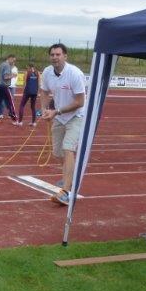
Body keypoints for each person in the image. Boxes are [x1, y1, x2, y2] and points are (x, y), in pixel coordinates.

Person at [40, 43, 86, 206]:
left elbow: (80, 101)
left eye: (58, 54)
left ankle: (66, 191)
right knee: (57, 153)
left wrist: (56, 111)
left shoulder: (75, 74)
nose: (55, 57)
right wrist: (44, 109)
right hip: (59, 116)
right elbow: (44, 91)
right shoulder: (47, 72)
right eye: (52, 55)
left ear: (65, 56)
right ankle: (69, 178)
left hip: (76, 116)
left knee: (68, 149)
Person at [0, 54, 19, 124]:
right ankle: (14, 118)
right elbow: (5, 77)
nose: (13, 62)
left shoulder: (1, 64)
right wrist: (13, 75)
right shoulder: (7, 66)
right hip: (4, 86)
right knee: (10, 102)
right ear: (10, 58)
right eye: (13, 60)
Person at [17, 62, 40, 126]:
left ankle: (20, 122)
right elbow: (39, 84)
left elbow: (24, 83)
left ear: (28, 66)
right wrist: (37, 92)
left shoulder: (27, 72)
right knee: (33, 107)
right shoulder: (38, 73)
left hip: (27, 91)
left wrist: (23, 91)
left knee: (22, 105)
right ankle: (34, 122)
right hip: (34, 92)